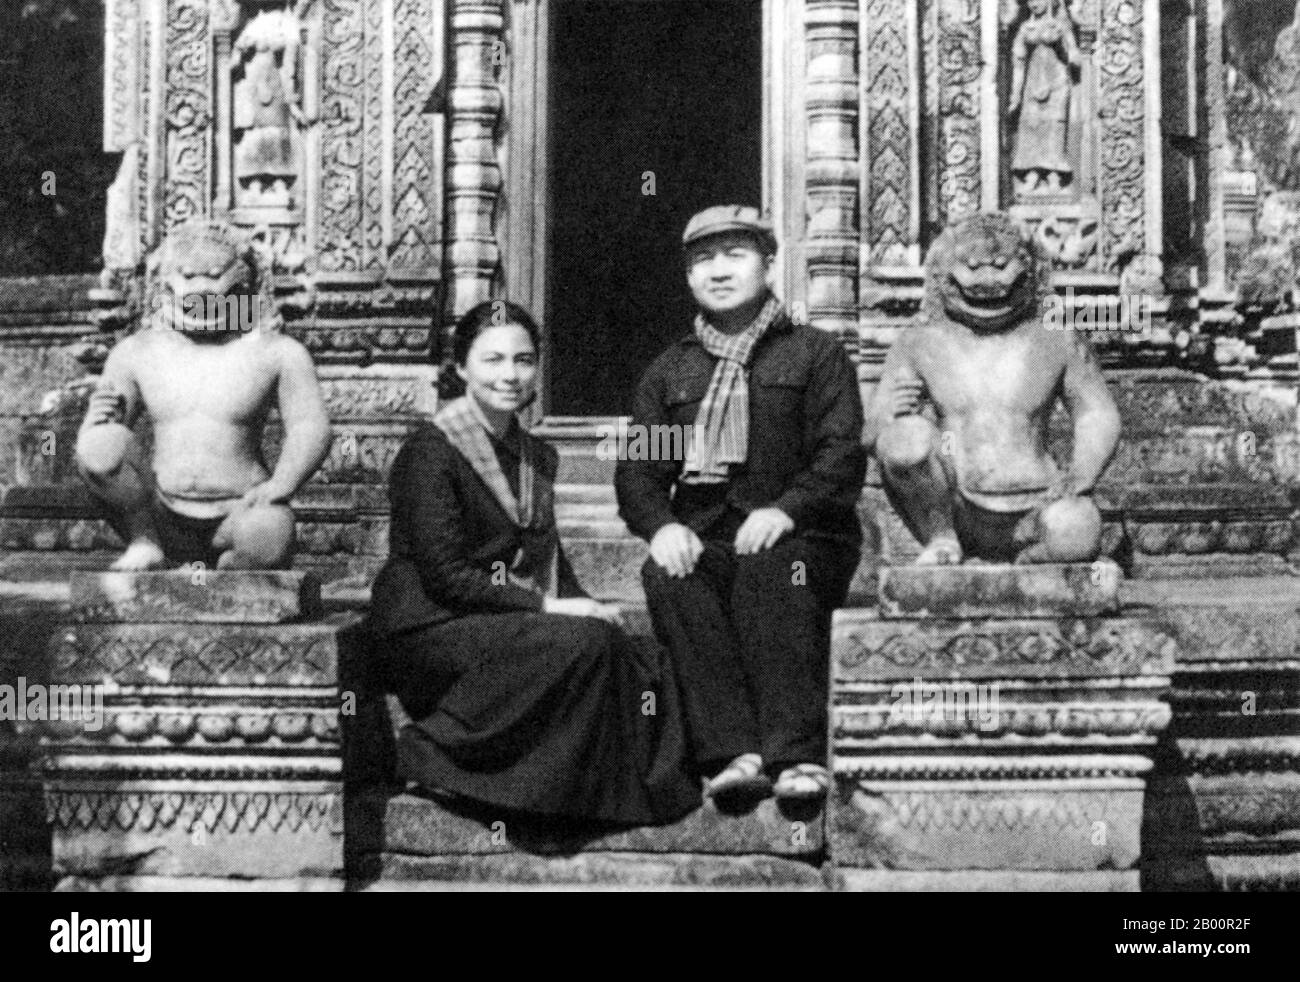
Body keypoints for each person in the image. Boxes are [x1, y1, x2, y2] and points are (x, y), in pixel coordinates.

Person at [368, 301, 700, 826]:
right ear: (461, 369)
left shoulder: (535, 456)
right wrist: (550, 607)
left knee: (635, 650)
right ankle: (432, 751)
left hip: (495, 616)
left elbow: (546, 555)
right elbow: (446, 576)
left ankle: (602, 793)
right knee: (578, 642)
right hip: (427, 624)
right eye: (493, 360)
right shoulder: (431, 451)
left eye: (523, 360)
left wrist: (584, 601)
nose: (510, 375)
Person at [615, 205, 867, 804]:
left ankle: (796, 756)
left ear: (769, 263)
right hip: (710, 536)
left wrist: (786, 510)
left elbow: (841, 453)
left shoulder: (813, 354)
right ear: (687, 277)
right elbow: (640, 473)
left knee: (775, 566)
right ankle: (733, 753)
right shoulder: (672, 370)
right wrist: (661, 527)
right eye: (703, 260)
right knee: (669, 573)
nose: (718, 271)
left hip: (807, 537)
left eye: (736, 255)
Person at [75, 219, 331, 571]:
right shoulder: (135, 352)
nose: (199, 288)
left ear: (244, 281)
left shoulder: (277, 352)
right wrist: (92, 424)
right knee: (100, 447)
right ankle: (145, 542)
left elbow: (309, 426)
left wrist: (281, 485)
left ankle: (228, 568)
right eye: (187, 275)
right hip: (157, 509)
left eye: (213, 276)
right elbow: (106, 442)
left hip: (242, 508)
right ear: (165, 281)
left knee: (268, 536)